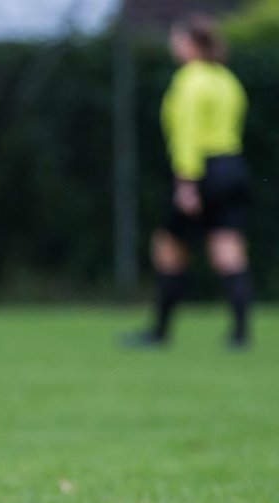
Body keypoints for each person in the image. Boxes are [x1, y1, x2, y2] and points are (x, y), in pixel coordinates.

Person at [126, 14, 252, 350]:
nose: (174, 46)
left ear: (192, 45)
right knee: (228, 249)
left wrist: (186, 183)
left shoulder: (190, 80)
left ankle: (160, 331)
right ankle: (240, 334)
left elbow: (187, 134)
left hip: (201, 170)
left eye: (178, 40)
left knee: (168, 247)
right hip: (233, 165)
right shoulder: (227, 80)